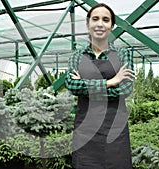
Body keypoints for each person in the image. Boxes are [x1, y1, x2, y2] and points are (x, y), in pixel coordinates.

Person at [65, 3, 135, 169]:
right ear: (88, 24)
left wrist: (86, 87)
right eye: (95, 19)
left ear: (111, 26)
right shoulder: (77, 55)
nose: (100, 24)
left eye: (105, 19)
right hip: (85, 131)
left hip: (115, 130)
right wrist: (110, 82)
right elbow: (72, 85)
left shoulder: (122, 53)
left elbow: (125, 89)